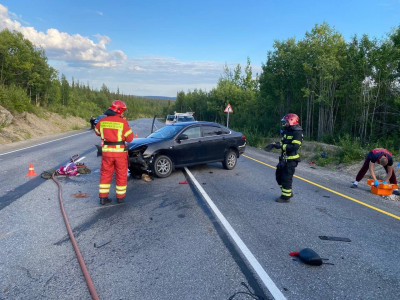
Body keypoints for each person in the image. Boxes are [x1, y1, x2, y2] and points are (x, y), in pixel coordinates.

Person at [94, 100, 134, 205]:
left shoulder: (102, 121)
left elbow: (97, 132)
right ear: (119, 111)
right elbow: (130, 138)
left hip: (107, 153)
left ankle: (103, 198)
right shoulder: (122, 122)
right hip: (120, 154)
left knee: (105, 174)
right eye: (123, 111)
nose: (123, 113)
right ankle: (120, 198)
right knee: (121, 174)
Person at [265, 113, 303, 203]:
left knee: (286, 179)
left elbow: (294, 146)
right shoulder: (287, 130)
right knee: (279, 176)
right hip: (284, 159)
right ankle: (288, 192)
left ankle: (285, 197)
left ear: (292, 121)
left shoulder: (297, 132)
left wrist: (281, 146)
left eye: (286, 122)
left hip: (291, 160)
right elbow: (284, 143)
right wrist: (275, 144)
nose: (284, 124)